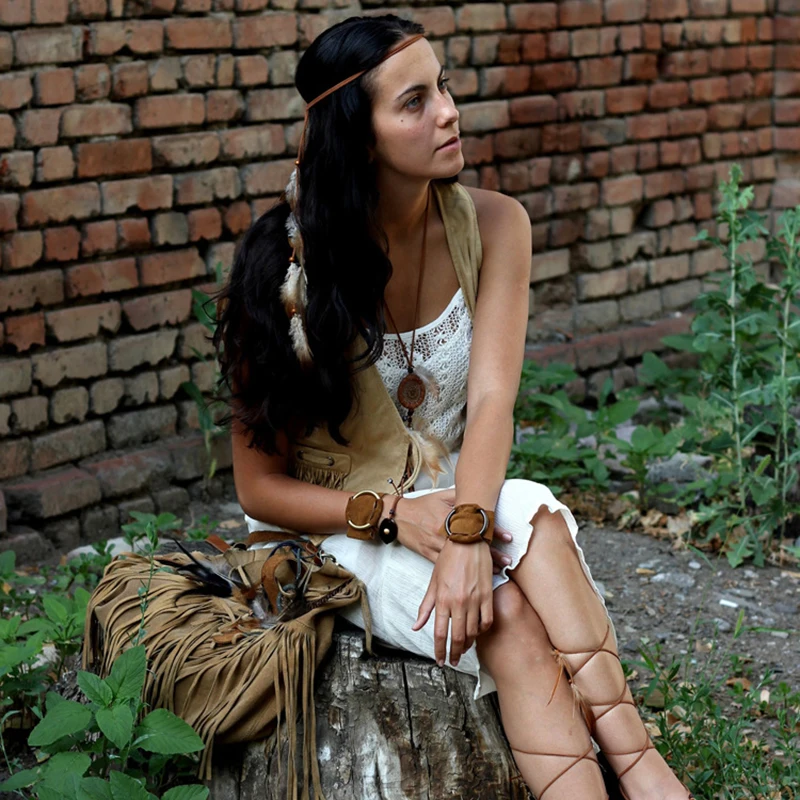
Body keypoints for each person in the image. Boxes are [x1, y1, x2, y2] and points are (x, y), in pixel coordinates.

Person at [213, 13, 693, 800]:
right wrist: (401, 519)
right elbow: (259, 492)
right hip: (334, 533)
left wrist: (467, 528)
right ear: (358, 136)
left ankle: (643, 772)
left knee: (529, 512)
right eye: (414, 101)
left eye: (444, 86)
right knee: (506, 623)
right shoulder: (283, 266)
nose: (447, 110)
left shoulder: (497, 224)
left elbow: (494, 400)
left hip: (449, 502)